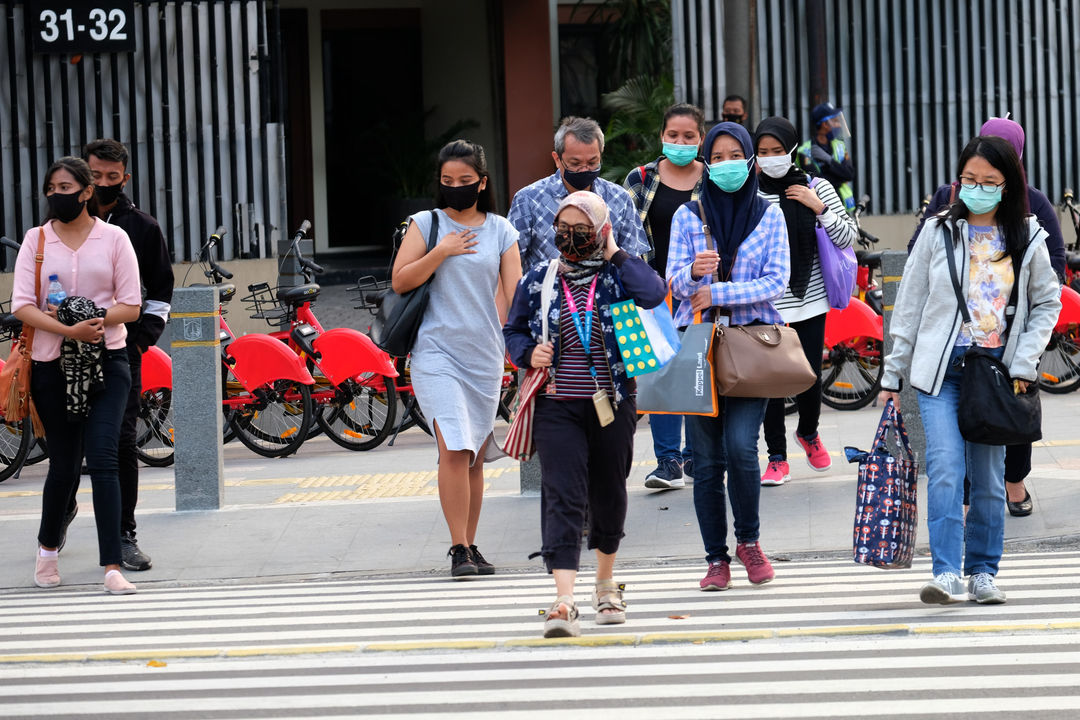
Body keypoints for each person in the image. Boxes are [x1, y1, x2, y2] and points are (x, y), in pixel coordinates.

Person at [881, 136, 1060, 605]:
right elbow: (911, 304)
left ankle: (982, 572)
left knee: (987, 477)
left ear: (1009, 184)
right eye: (969, 180)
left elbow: (1047, 302)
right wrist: (891, 374)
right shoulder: (938, 231)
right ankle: (945, 573)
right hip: (941, 373)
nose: (976, 189)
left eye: (988, 182)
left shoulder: (1028, 235)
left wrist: (1024, 361)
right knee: (944, 468)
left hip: (996, 375)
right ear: (957, 180)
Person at [504, 191, 665, 637]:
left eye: (582, 230)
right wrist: (526, 352)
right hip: (558, 405)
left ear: (600, 230)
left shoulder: (618, 277)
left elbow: (654, 293)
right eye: (563, 229)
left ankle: (606, 583)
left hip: (613, 402)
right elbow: (513, 330)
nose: (570, 237)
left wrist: (614, 251)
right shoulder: (539, 278)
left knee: (609, 490)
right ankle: (563, 600)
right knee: (562, 493)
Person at [908, 116, 1066, 519]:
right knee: (948, 454)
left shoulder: (1033, 205)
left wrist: (1025, 334)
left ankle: (1013, 485)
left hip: (1006, 347)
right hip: (951, 351)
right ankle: (958, 520)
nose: (979, 185)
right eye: (971, 176)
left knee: (1009, 425)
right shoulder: (948, 199)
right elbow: (918, 261)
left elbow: (1054, 269)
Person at [666, 122, 791, 591]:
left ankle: (750, 542)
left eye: (732, 155)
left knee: (741, 447)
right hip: (697, 346)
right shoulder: (688, 216)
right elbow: (673, 285)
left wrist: (716, 289)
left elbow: (776, 281)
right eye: (715, 157)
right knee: (705, 457)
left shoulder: (769, 215)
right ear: (706, 163)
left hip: (750, 346)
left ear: (749, 160)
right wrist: (689, 274)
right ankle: (716, 558)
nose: (724, 164)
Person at [391, 140, 522, 578]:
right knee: (455, 446)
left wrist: (517, 348)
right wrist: (441, 251)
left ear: (482, 183)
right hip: (436, 352)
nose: (456, 189)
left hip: (484, 355)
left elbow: (512, 294)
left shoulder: (502, 230)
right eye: (448, 182)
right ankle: (458, 548)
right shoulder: (425, 223)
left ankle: (471, 543)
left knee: (474, 455)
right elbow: (401, 281)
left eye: (465, 182)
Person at [14, 157, 143, 595]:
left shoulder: (115, 239)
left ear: (87, 192)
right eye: (51, 188)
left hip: (108, 361)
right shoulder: (36, 241)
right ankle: (48, 548)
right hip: (52, 365)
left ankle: (111, 566)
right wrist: (68, 328)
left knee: (104, 457)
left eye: (66, 187)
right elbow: (22, 306)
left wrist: (95, 318)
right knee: (65, 464)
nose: (57, 195)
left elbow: (132, 304)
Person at [52, 139, 174, 571]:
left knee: (120, 442)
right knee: (67, 441)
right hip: (61, 353)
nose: (103, 184)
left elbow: (160, 293)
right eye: (95, 175)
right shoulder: (52, 228)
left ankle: (124, 535)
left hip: (120, 351)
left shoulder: (141, 228)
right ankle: (61, 513)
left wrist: (141, 339)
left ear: (125, 177)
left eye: (112, 176)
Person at [755, 116, 857, 485]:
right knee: (769, 383)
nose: (770, 158)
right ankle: (777, 457)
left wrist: (819, 207)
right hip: (765, 303)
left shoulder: (818, 186)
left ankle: (809, 432)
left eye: (777, 151)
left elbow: (847, 238)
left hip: (810, 299)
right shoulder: (751, 191)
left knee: (809, 375)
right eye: (763, 152)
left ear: (792, 149)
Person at [624, 103, 706, 490]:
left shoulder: (713, 179)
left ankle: (695, 457)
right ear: (662, 137)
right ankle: (668, 461)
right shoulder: (640, 179)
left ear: (700, 138)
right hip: (650, 292)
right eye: (673, 135)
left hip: (700, 291)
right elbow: (622, 231)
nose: (680, 142)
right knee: (656, 373)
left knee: (697, 373)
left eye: (689, 136)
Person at [508, 116, 649, 272]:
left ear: (601, 155)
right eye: (575, 163)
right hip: (548, 293)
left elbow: (635, 262)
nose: (584, 169)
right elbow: (510, 264)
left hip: (605, 294)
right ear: (557, 159)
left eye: (592, 162)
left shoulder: (619, 198)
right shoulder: (528, 200)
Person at [796, 102, 855, 213]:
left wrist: (829, 160)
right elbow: (818, 182)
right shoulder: (805, 151)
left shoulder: (839, 146)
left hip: (842, 206)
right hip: (820, 209)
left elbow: (849, 174)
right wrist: (839, 175)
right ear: (825, 124)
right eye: (836, 121)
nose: (839, 125)